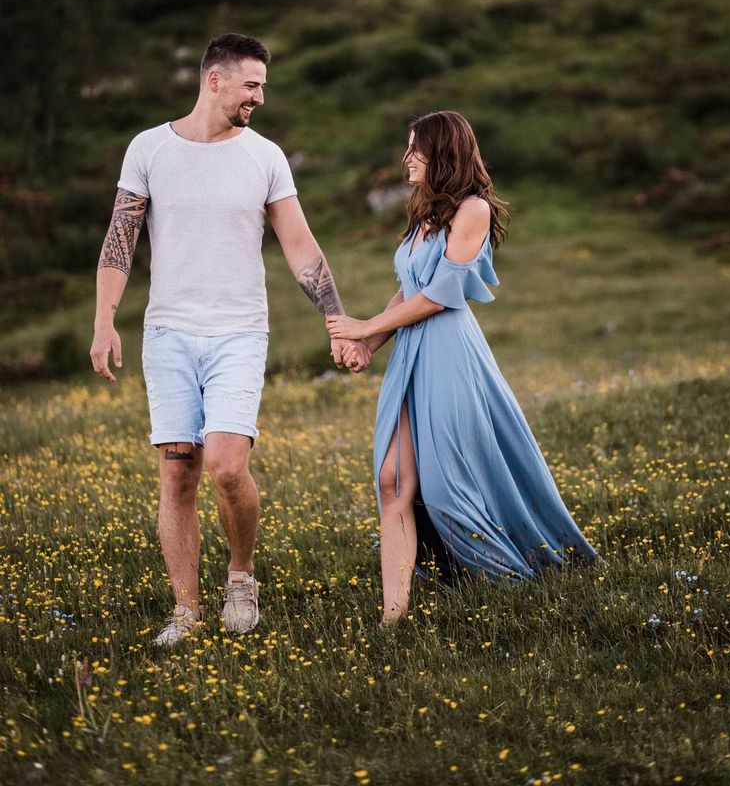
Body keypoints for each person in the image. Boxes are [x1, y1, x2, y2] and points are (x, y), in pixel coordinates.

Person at [90, 33, 370, 646]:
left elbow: (300, 245)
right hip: (167, 333)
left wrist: (337, 319)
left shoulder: (264, 157)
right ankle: (185, 613)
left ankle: (241, 576)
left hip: (239, 332)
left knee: (225, 465)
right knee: (177, 473)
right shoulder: (149, 150)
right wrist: (105, 319)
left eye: (263, 86)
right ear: (214, 80)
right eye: (251, 85)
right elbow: (120, 241)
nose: (259, 97)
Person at [326, 110, 599, 625]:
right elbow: (408, 291)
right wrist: (372, 344)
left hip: (449, 354)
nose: (407, 158)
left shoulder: (471, 209)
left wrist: (361, 327)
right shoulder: (424, 214)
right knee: (391, 479)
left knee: (448, 484)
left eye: (416, 148)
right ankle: (392, 615)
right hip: (410, 353)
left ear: (442, 152)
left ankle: (507, 579)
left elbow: (442, 294)